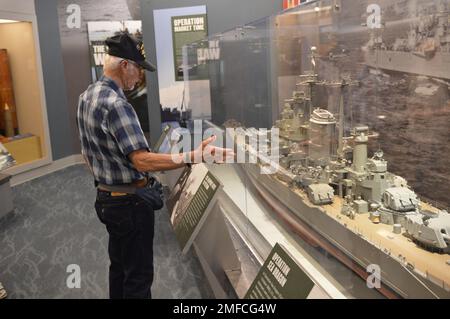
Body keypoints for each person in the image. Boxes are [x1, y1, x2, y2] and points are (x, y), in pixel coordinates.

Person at [76, 32, 233, 299]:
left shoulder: (87, 96)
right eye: (138, 69)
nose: (139, 77)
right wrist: (193, 155)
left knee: (119, 269)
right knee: (138, 279)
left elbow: (86, 155)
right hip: (129, 205)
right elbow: (142, 160)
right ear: (125, 65)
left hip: (105, 199)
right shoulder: (117, 106)